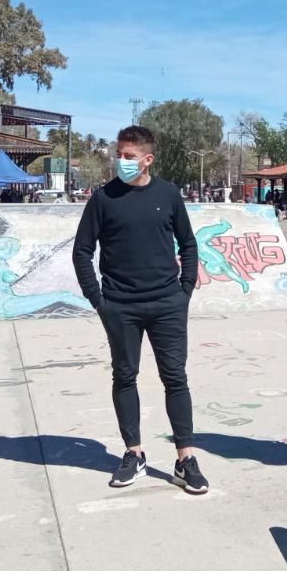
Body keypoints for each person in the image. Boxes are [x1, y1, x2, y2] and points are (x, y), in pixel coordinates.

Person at [72, 125, 209, 495]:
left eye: (129, 156)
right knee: (125, 376)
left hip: (168, 302)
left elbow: (189, 244)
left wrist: (184, 292)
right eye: (119, 154)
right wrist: (98, 301)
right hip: (120, 306)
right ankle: (134, 453)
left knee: (175, 378)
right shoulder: (103, 198)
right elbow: (82, 251)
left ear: (148, 160)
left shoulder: (169, 194)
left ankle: (185, 458)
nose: (121, 161)